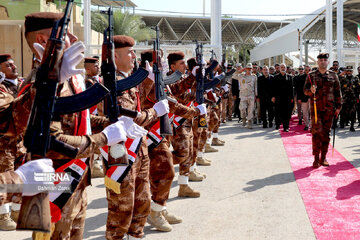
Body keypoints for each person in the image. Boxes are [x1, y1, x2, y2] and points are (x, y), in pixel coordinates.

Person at [104, 35, 169, 240]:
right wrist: (155, 113)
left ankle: (136, 235)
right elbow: (128, 118)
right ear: (115, 55)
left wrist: (151, 78)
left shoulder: (128, 79)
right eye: (129, 52)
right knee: (122, 208)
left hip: (139, 150)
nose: (134, 56)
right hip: (121, 154)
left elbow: (137, 99)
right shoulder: (111, 82)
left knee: (141, 203)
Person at [0, 54, 25, 230]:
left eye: (13, 64)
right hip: (4, 143)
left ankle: (17, 210)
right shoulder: (1, 89)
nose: (14, 67)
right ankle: (3, 215)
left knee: (20, 177)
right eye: (8, 66)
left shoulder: (22, 85)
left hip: (21, 142)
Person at [304, 53, 342, 168]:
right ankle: (316, 158)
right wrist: (310, 90)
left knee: (326, 134)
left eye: (325, 60)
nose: (323, 62)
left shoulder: (333, 75)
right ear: (317, 62)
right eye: (320, 60)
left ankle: (323, 157)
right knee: (316, 134)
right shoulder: (311, 75)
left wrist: (339, 107)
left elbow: (338, 93)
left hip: (329, 110)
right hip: (316, 110)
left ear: (328, 62)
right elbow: (305, 91)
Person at [233, 63, 257, 129]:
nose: (249, 69)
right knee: (242, 108)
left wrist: (256, 95)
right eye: (247, 68)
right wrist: (240, 71)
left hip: (251, 94)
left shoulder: (254, 76)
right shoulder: (241, 75)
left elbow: (255, 86)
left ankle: (249, 121)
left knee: (251, 109)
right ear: (245, 69)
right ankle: (243, 118)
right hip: (243, 94)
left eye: (250, 68)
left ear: (252, 69)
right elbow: (233, 76)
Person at [272, 63, 294, 132]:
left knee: (286, 113)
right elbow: (273, 88)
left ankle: (286, 127)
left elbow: (291, 88)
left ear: (285, 68)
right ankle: (277, 125)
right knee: (277, 112)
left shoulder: (290, 77)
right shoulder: (275, 77)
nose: (282, 68)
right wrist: (273, 96)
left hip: (287, 98)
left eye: (284, 67)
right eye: (281, 67)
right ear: (279, 68)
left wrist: (292, 98)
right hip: (278, 98)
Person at [339, 66, 357, 131]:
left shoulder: (355, 79)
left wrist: (357, 97)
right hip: (345, 98)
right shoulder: (343, 79)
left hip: (353, 98)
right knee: (343, 112)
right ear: (346, 72)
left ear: (352, 72)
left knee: (353, 112)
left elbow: (357, 89)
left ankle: (352, 126)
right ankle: (342, 123)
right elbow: (338, 85)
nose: (349, 72)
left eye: (350, 71)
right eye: (348, 71)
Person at [294, 66, 310, 130]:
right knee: (304, 113)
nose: (307, 71)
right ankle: (307, 125)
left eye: (308, 70)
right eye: (306, 70)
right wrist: (299, 98)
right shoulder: (300, 78)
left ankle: (311, 126)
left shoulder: (313, 77)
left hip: (311, 98)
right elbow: (299, 89)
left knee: (311, 113)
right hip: (303, 98)